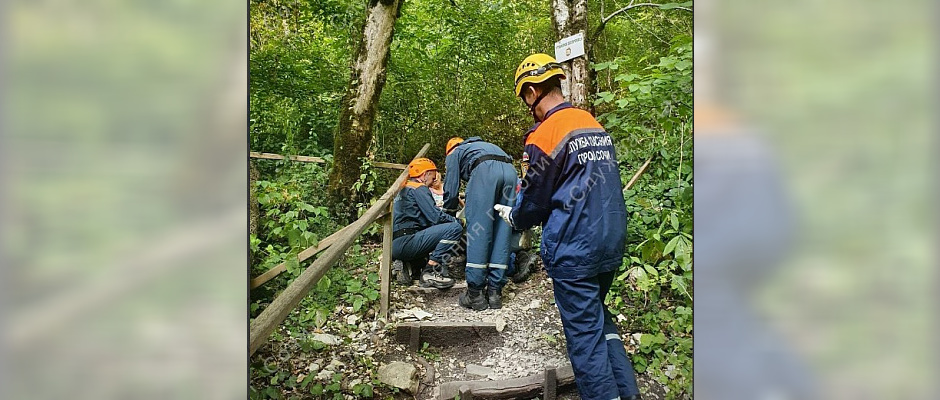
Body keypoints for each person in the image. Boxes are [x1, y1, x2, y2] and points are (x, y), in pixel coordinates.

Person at [494, 53, 641, 400]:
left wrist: (515, 216)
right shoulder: (592, 123)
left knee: (584, 337)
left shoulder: (546, 133)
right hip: (610, 241)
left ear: (531, 92)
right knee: (600, 321)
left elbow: (534, 202)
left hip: (575, 248)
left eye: (524, 100)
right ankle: (628, 393)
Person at [443, 136, 518, 310]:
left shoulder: (455, 152)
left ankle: (475, 294)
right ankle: (495, 293)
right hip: (511, 172)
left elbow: (451, 189)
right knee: (503, 228)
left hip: (485, 172)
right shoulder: (484, 146)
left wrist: (447, 214)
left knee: (479, 230)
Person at [390, 158, 461, 289]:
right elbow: (435, 217)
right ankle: (430, 271)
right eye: (433, 177)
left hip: (395, 243)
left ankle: (411, 264)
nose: (433, 181)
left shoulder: (402, 189)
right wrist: (458, 221)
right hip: (409, 241)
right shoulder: (419, 188)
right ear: (425, 174)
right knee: (454, 228)